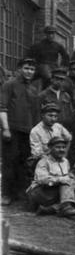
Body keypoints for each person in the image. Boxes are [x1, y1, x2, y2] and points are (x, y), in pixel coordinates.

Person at [0, 58, 41, 205]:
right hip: (12, 130)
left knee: (24, 163)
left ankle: (19, 193)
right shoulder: (9, 85)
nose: (29, 71)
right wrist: (5, 129)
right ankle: (6, 194)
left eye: (32, 69)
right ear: (19, 69)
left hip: (28, 132)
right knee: (9, 162)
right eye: (26, 68)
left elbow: (35, 113)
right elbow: (2, 107)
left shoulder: (34, 88)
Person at [26, 137, 75, 216]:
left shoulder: (65, 161)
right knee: (65, 181)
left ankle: (50, 209)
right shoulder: (43, 162)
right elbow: (42, 180)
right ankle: (66, 208)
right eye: (58, 147)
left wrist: (72, 180)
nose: (61, 150)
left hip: (56, 193)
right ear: (51, 148)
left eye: (63, 147)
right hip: (41, 192)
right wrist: (60, 180)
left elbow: (67, 177)